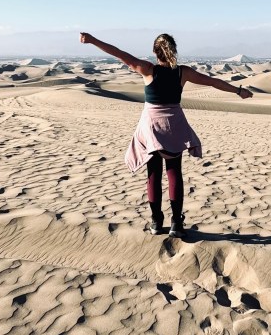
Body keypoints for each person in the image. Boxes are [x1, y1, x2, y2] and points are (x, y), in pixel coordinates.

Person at [79, 31, 253, 237]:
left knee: (153, 173)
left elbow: (119, 53)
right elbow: (212, 81)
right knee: (174, 172)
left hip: (151, 126)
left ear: (154, 51)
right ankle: (176, 224)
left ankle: (155, 221)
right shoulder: (183, 72)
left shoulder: (147, 69)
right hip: (174, 125)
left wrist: (92, 40)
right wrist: (238, 91)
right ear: (174, 51)